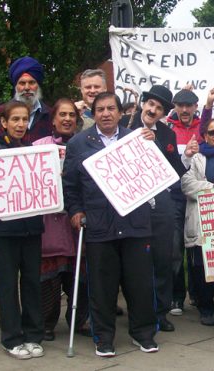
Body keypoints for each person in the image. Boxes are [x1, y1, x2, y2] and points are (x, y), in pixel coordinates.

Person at [64, 92, 160, 356]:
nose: (105, 113)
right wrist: (75, 211)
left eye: (110, 109)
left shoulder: (137, 139)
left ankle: (144, 334)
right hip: (98, 225)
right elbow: (70, 186)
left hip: (135, 223)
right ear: (93, 114)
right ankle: (103, 338)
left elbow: (155, 174)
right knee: (102, 287)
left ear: (120, 112)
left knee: (139, 284)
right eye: (100, 109)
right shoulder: (79, 143)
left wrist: (153, 146)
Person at [0, 101, 46, 360]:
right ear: (3, 123)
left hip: (31, 229)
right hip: (3, 231)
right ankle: (12, 338)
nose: (20, 124)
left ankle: (33, 334)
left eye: (24, 119)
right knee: (7, 285)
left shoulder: (32, 152)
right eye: (14, 119)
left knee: (31, 282)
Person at [120, 85, 186, 332]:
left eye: (159, 108)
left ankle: (161, 311)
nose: (153, 110)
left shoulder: (167, 135)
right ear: (143, 104)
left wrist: (161, 145)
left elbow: (176, 170)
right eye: (150, 105)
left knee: (164, 258)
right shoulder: (125, 125)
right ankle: (139, 312)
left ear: (163, 113)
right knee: (136, 261)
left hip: (162, 202)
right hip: (133, 203)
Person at [32, 98, 90, 341]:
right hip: (50, 223)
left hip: (78, 219)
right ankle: (46, 322)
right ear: (53, 119)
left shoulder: (86, 144)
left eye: (71, 115)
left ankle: (79, 320)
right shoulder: (37, 146)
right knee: (50, 277)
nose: (67, 119)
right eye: (62, 114)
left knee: (81, 275)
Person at [182, 118, 214, 326]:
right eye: (211, 132)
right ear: (204, 136)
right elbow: (187, 184)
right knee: (200, 269)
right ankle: (206, 308)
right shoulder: (195, 157)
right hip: (200, 220)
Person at [166, 88, 202, 316]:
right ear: (175, 107)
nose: (185, 109)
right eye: (180, 105)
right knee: (175, 248)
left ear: (196, 107)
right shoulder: (166, 127)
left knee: (198, 249)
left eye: (189, 105)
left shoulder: (205, 126)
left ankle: (198, 295)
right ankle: (177, 297)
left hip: (197, 195)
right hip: (174, 197)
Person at [0, 56, 53, 145]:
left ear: (38, 85)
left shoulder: (50, 115)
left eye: (31, 82)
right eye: (22, 83)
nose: (27, 88)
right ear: (16, 86)